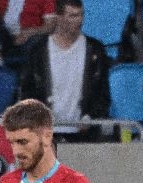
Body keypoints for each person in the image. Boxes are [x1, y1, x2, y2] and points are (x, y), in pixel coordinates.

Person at [19, 0, 111, 143]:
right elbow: (28, 90)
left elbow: (103, 90)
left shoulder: (95, 49)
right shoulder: (39, 51)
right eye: (73, 16)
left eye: (81, 15)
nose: (79, 21)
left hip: (83, 133)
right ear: (59, 18)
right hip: (47, 135)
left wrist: (91, 117)